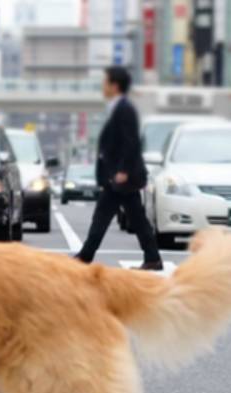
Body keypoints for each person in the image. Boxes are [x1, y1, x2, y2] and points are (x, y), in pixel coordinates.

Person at [75, 66, 163, 271]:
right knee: (133, 219)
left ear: (114, 86)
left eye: (105, 82)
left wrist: (123, 170)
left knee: (107, 217)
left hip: (123, 176)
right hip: (119, 176)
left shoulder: (125, 109)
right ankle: (152, 258)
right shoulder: (117, 107)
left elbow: (131, 142)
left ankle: (85, 257)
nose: (102, 86)